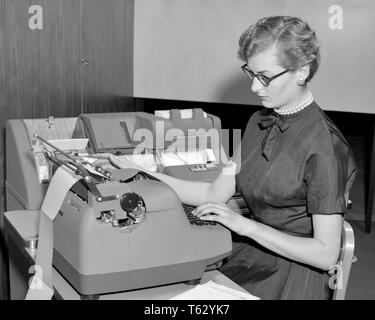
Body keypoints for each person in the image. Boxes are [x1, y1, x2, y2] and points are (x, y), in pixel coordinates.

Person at [97, 16, 356, 300]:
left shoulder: (326, 145)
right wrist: (140, 171)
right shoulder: (260, 121)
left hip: (292, 275)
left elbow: (325, 254)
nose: (255, 87)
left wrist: (244, 225)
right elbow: (213, 192)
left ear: (302, 72)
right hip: (253, 253)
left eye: (265, 77)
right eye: (251, 73)